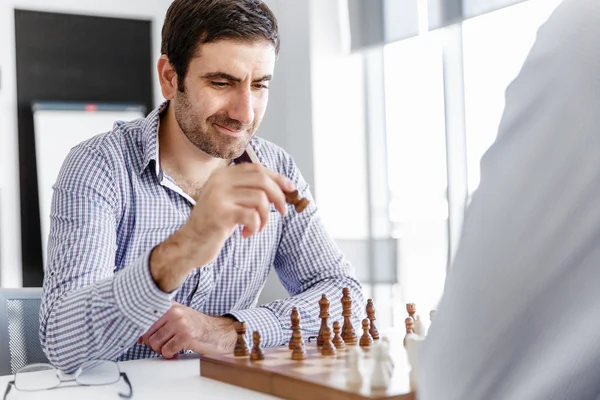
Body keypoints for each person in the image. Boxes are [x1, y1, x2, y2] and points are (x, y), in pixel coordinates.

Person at [39, 0, 363, 373]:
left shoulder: (277, 169)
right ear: (169, 77)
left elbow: (346, 297)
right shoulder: (98, 167)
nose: (245, 113)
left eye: (259, 86)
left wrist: (228, 330)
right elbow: (63, 345)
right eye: (222, 82)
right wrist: (183, 249)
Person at [417, 0, 600, 398]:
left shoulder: (586, 33)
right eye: (242, 80)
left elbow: (459, 380)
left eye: (261, 84)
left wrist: (248, 322)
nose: (245, 109)